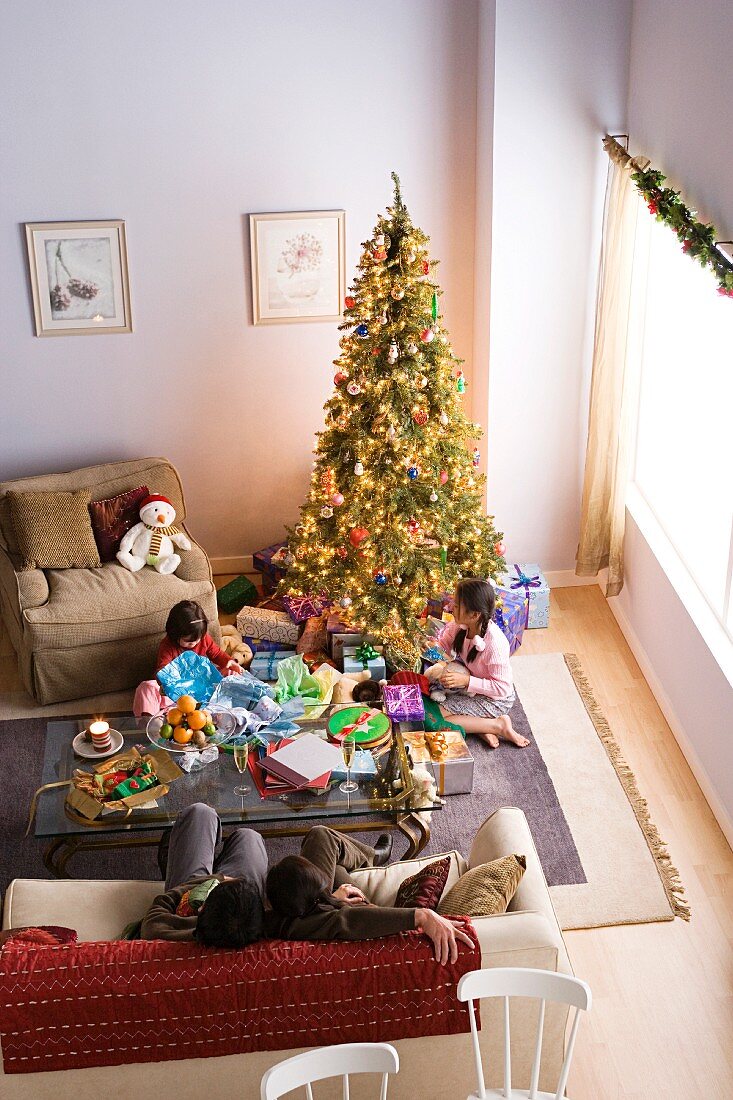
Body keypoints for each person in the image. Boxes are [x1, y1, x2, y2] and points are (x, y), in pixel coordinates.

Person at [141, 805, 473, 965]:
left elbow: (158, 909)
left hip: (193, 890)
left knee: (202, 816)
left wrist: (209, 882)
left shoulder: (164, 932)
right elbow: (341, 922)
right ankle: (369, 858)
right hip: (216, 895)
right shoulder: (278, 924)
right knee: (248, 836)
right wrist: (419, 916)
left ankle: (190, 851)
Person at [434, 577, 529, 750]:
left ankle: (498, 726)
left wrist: (466, 682)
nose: (451, 608)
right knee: (433, 705)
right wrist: (432, 646)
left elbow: (502, 688)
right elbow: (444, 644)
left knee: (439, 720)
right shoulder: (460, 626)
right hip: (474, 687)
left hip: (496, 699)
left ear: (474, 614)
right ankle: (479, 725)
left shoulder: (496, 644)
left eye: (456, 606)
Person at [133, 599, 243, 720]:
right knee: (146, 687)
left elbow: (217, 654)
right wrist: (167, 684)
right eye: (188, 641)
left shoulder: (204, 639)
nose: (194, 643)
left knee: (230, 675)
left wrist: (229, 662)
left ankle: (208, 713)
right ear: (175, 634)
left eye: (198, 639)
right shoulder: (167, 645)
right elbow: (162, 671)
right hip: (177, 693)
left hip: (202, 688)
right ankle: (149, 721)